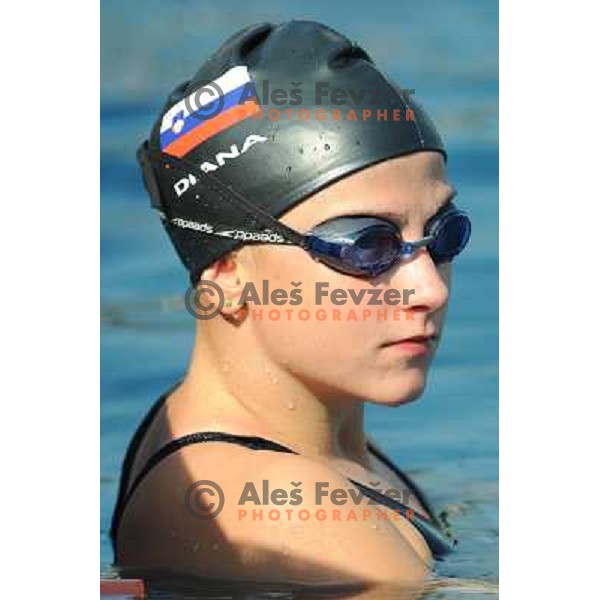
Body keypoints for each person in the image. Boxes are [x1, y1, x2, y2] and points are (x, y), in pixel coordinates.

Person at [110, 20, 471, 589]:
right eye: (367, 246)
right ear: (226, 274)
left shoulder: (300, 435)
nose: (430, 288)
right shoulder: (288, 512)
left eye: (443, 235)